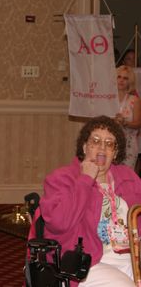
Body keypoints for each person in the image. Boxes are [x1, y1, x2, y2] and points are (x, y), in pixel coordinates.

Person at [38, 116, 141, 286]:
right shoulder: (63, 178)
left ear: (115, 153)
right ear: (85, 147)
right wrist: (85, 179)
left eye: (109, 144)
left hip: (130, 258)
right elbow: (59, 223)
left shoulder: (128, 177)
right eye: (96, 141)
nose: (102, 147)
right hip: (88, 262)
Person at [115, 65, 141, 169]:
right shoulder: (108, 100)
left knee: (126, 179)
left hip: (128, 147)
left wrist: (125, 123)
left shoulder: (134, 100)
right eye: (119, 77)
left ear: (130, 82)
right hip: (108, 145)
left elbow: (138, 123)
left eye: (125, 78)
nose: (121, 80)